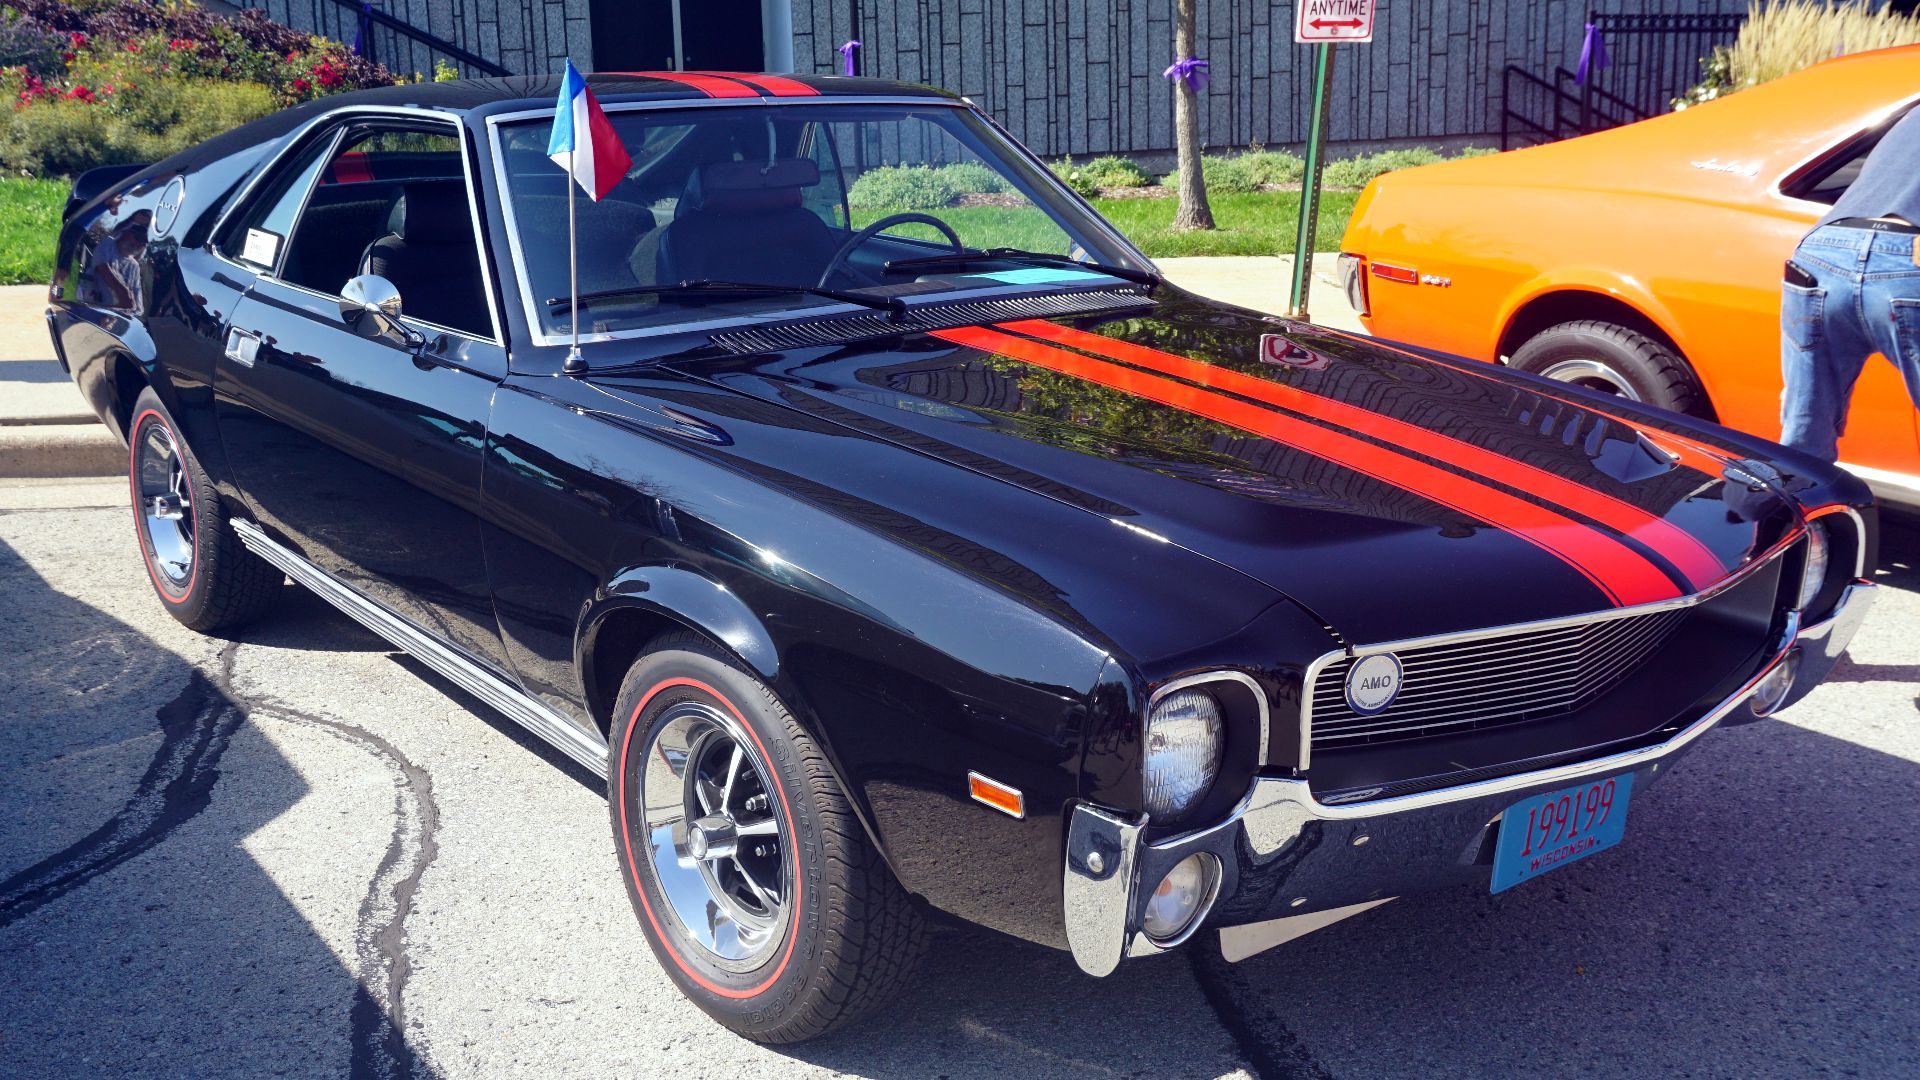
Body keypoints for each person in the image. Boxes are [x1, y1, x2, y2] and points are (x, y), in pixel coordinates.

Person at [1780, 105, 1920, 463]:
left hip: (1821, 250)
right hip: (1909, 256)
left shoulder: (1913, 112)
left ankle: (1781, 514)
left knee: (1802, 438)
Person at [81, 219, 149, 311]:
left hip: (115, 316)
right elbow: (104, 271)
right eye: (137, 237)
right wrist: (125, 296)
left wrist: (134, 310)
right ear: (125, 233)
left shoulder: (134, 266)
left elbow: (137, 303)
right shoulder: (108, 244)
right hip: (91, 305)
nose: (138, 244)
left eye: (143, 242)